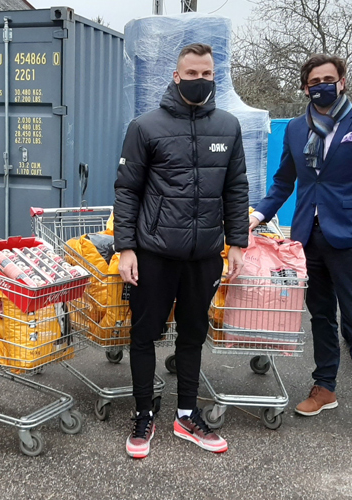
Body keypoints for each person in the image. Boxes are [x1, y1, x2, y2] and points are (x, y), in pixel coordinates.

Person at [250, 54, 352, 449]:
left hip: (350, 239)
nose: (322, 85)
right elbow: (284, 182)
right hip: (307, 238)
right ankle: (325, 387)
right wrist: (257, 215)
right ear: (306, 87)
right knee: (320, 316)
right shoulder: (296, 128)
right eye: (315, 81)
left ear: (342, 82)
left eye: (328, 79)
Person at [114, 43, 249, 459]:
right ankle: (143, 414)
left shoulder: (228, 127)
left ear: (214, 76)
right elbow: (127, 190)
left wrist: (238, 242)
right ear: (176, 76)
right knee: (144, 334)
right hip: (154, 253)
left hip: (204, 255)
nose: (199, 80)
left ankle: (186, 415)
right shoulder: (145, 127)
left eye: (206, 74)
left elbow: (236, 188)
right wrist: (126, 248)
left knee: (192, 335)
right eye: (191, 73)